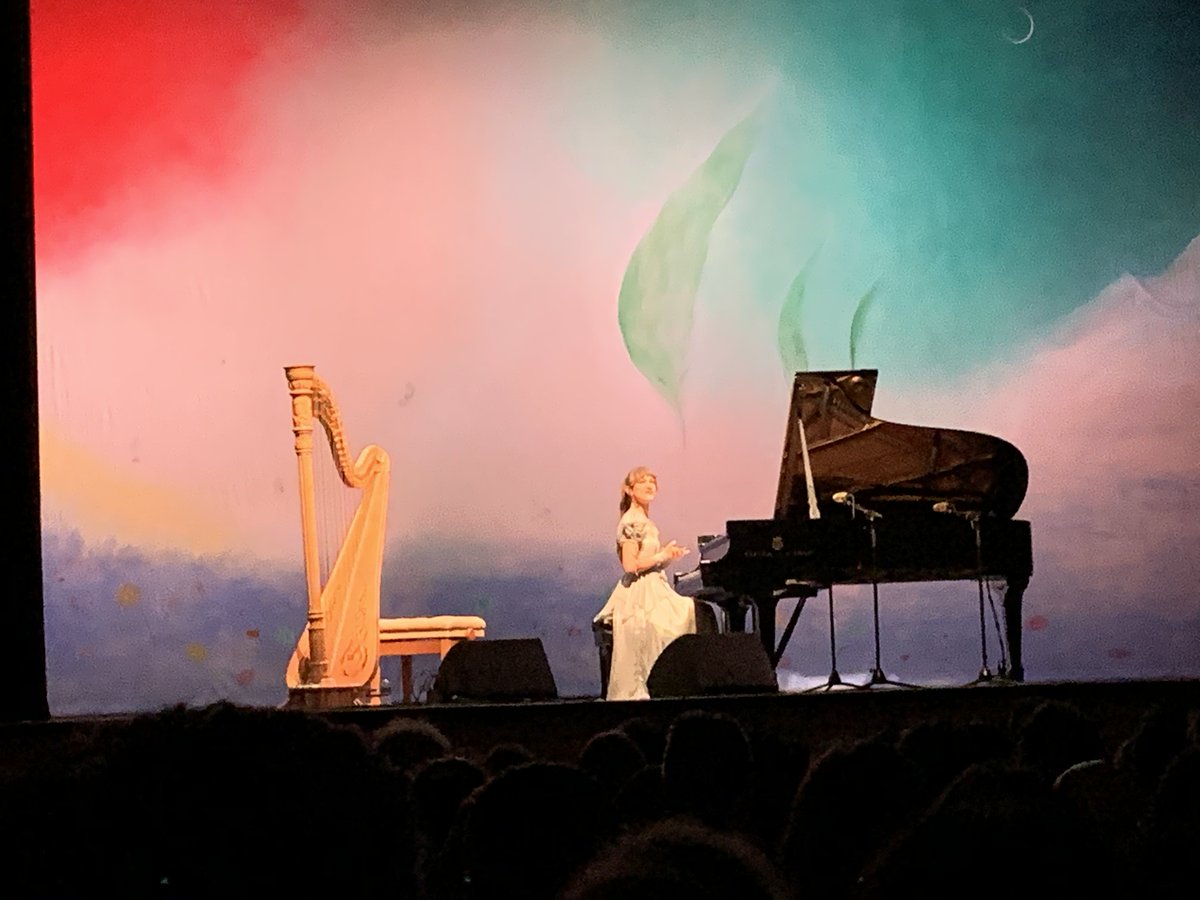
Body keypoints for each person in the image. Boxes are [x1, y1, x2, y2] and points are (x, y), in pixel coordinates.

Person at [594, 467, 697, 700]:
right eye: (643, 482)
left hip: (654, 587)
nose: (650, 485)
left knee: (691, 612)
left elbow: (647, 562)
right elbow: (630, 565)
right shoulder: (632, 522)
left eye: (653, 482)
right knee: (684, 615)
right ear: (630, 490)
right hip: (640, 595)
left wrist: (667, 555)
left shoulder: (645, 522)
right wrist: (661, 556)